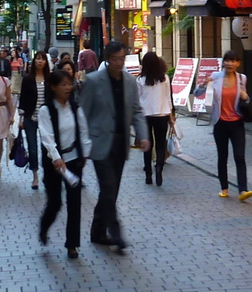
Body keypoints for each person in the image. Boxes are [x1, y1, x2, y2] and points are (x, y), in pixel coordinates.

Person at [78, 40, 150, 252]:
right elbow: (82, 113)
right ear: (107, 59)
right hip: (100, 143)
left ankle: (97, 231)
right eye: (115, 59)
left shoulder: (130, 81)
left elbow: (136, 110)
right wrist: (82, 143)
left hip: (120, 142)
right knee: (108, 188)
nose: (119, 63)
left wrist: (143, 135)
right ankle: (116, 232)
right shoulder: (93, 81)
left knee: (112, 190)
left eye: (122, 59)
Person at [36, 69, 89, 258]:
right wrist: (56, 158)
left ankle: (72, 244)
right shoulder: (46, 110)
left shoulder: (75, 108)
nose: (68, 88)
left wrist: (86, 153)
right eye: (63, 84)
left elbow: (83, 131)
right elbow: (47, 137)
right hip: (54, 163)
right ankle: (44, 227)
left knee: (75, 203)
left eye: (70, 84)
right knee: (55, 202)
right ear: (53, 87)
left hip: (74, 159)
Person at [207, 52, 252, 201]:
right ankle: (224, 187)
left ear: (238, 63)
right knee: (223, 156)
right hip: (220, 122)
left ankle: (243, 190)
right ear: (223, 62)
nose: (230, 64)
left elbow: (246, 99)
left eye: (233, 61)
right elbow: (199, 93)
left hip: (237, 122)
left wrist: (245, 97)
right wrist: (202, 85)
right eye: (227, 60)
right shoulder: (215, 77)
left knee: (239, 156)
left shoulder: (242, 78)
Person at [137, 51, 173, 186]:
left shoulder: (140, 80)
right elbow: (168, 98)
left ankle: (148, 174)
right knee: (160, 144)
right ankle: (159, 168)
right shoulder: (165, 79)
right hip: (162, 114)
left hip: (146, 115)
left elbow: (137, 100)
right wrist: (171, 116)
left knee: (147, 145)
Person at [17, 52, 51, 191]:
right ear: (34, 61)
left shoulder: (50, 78)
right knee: (32, 148)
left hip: (46, 119)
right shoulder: (27, 79)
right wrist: (21, 118)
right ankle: (35, 176)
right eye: (38, 59)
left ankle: (47, 175)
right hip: (30, 117)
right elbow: (23, 99)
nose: (40, 61)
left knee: (46, 148)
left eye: (42, 59)